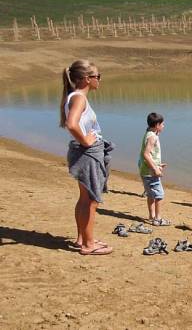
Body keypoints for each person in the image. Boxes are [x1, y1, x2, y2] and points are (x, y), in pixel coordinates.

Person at [61, 59, 114, 256]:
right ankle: (89, 244)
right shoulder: (79, 98)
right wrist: (85, 141)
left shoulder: (75, 96)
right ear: (86, 79)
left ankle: (82, 238)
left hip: (84, 152)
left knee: (85, 198)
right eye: (97, 76)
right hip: (86, 153)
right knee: (91, 200)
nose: (99, 80)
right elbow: (71, 123)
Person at [138, 112, 170, 226]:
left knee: (151, 195)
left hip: (145, 170)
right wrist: (155, 169)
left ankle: (151, 216)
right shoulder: (152, 137)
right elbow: (146, 154)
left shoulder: (149, 133)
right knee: (159, 195)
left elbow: (150, 154)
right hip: (150, 172)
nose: (163, 126)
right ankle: (157, 218)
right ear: (157, 125)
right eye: (162, 124)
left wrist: (158, 165)